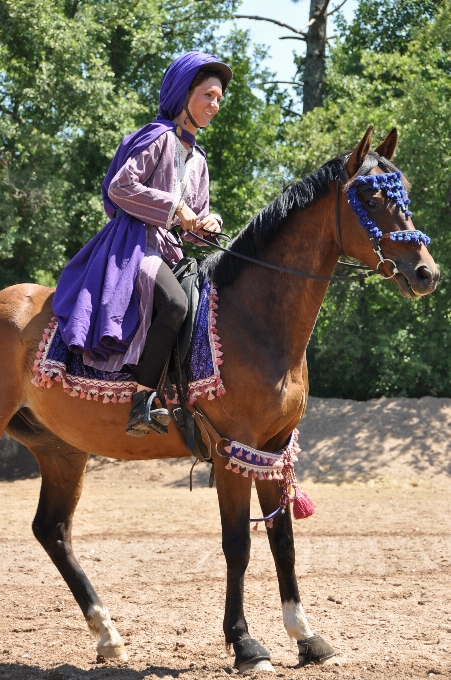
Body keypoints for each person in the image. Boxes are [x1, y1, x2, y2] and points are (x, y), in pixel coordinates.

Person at [53, 52, 232, 437]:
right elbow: (120, 187)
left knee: (204, 305)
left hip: (170, 251)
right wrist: (176, 206)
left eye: (219, 99)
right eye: (208, 95)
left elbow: (191, 229)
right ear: (184, 94)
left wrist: (208, 222)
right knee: (176, 303)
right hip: (134, 247)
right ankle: (142, 402)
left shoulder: (198, 159)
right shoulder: (158, 137)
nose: (215, 106)